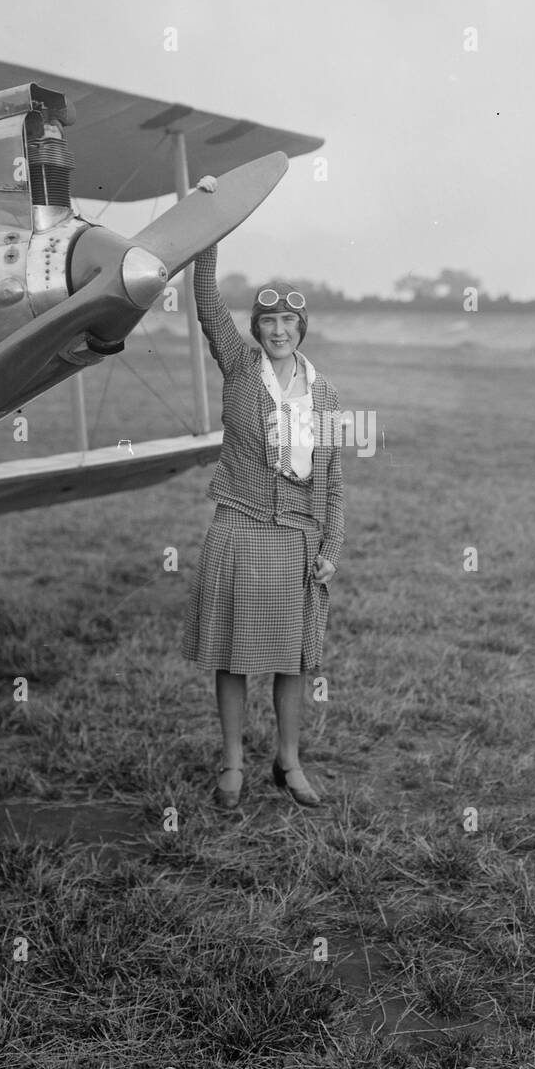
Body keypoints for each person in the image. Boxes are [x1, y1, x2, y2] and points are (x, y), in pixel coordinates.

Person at [181, 218, 345, 811]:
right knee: (231, 652)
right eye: (268, 322)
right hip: (239, 524)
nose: (278, 331)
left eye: (288, 323)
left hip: (298, 536)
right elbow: (205, 304)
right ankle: (231, 765)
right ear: (256, 329)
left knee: (292, 659)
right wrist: (211, 223)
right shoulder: (240, 367)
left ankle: (288, 761)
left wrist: (331, 548)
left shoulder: (323, 394)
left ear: (301, 329)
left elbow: (331, 480)